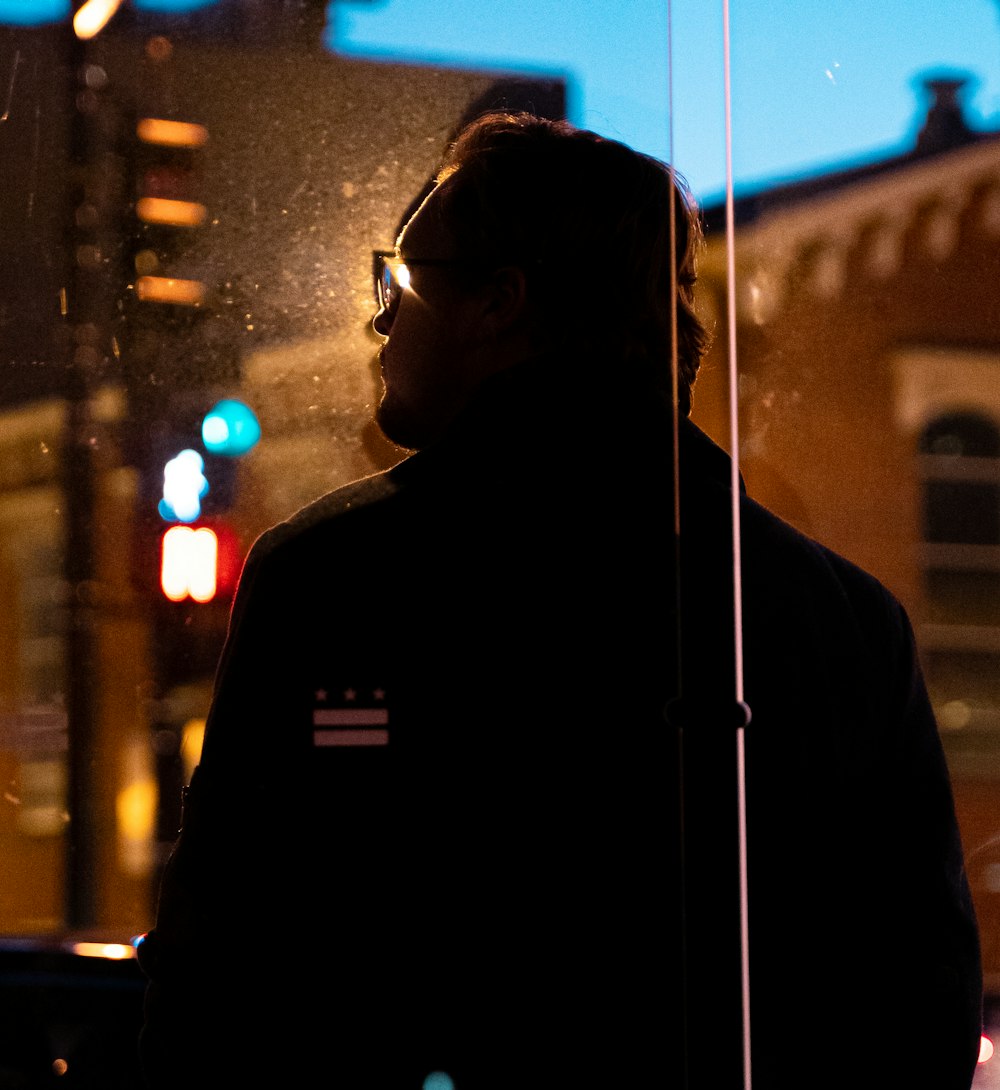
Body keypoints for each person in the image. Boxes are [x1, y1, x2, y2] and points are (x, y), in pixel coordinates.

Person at [136, 112, 983, 1089]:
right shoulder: (835, 616)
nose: (379, 319)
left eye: (400, 281)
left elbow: (228, 968)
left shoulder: (336, 577)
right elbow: (917, 997)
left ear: (499, 302)